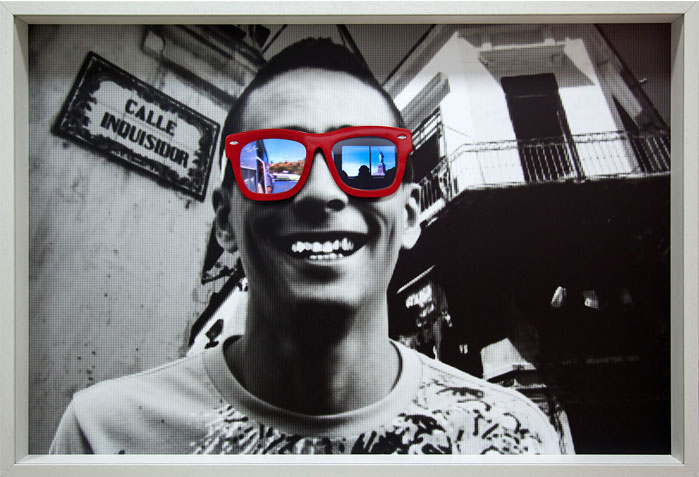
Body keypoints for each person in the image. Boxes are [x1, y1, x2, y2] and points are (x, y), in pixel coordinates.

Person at [50, 38, 564, 455]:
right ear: (225, 220)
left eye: (365, 161)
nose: (320, 192)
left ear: (409, 216)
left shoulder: (511, 441)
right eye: (273, 162)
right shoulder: (106, 437)